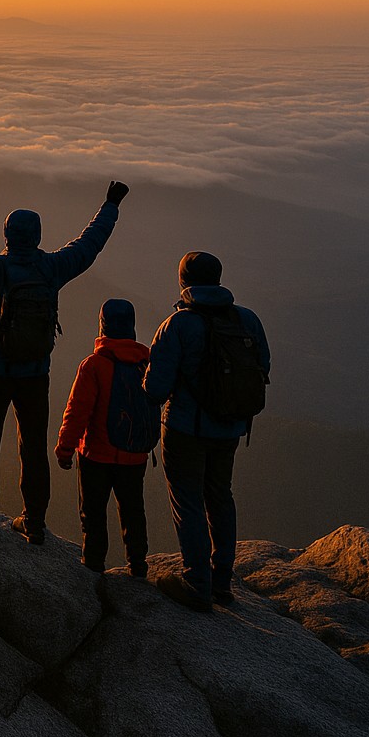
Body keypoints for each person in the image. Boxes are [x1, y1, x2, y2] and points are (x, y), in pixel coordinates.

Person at [0, 173, 128, 543]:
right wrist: (111, 205)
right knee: (32, 445)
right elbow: (90, 244)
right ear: (38, 236)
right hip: (34, 373)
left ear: (7, 235)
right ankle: (34, 522)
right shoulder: (53, 268)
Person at [144, 251, 270, 612]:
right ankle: (221, 582)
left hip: (185, 428)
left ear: (183, 281)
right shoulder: (248, 320)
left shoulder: (177, 325)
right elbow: (263, 368)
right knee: (220, 496)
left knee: (188, 501)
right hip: (230, 427)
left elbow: (156, 389)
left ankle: (196, 582)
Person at [55, 298, 153, 577]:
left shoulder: (94, 365)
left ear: (103, 326)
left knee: (94, 512)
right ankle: (137, 564)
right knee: (133, 509)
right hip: (135, 454)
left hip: (96, 454)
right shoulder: (147, 363)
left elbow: (77, 412)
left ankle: (94, 564)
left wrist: (65, 449)